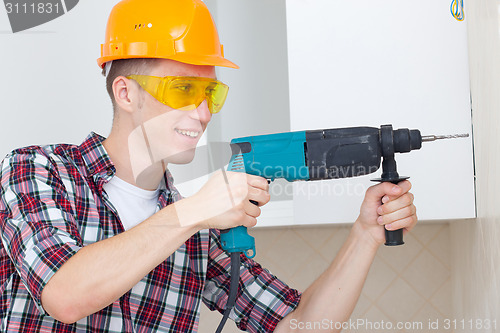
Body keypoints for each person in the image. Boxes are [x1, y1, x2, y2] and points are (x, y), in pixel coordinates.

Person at [0, 0, 418, 332]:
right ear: (126, 93)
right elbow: (64, 295)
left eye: (211, 94)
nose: (202, 114)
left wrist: (365, 235)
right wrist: (194, 211)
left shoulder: (198, 233)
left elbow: (299, 327)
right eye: (183, 89)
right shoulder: (36, 170)